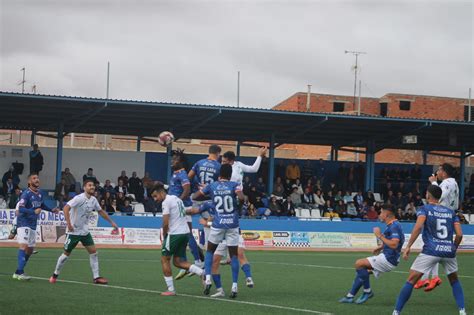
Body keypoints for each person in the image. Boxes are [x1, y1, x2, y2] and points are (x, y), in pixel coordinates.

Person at [393, 185, 466, 315]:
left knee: (411, 281)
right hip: (448, 251)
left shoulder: (424, 209)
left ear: (428, 195)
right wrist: (453, 247)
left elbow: (418, 227)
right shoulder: (451, 212)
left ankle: (396, 312)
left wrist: (408, 246)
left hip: (431, 250)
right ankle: (462, 311)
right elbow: (459, 234)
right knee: (454, 280)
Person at [49, 180, 118, 285]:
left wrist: (112, 222)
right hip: (73, 232)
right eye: (89, 185)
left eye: (93, 186)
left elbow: (100, 211)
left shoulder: (94, 200)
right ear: (84, 187)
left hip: (85, 232)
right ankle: (55, 274)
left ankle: (96, 277)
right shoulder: (79, 198)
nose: (92, 187)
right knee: (65, 255)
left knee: (94, 253)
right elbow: (66, 208)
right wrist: (69, 224)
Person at [193, 164, 245, 298]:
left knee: (210, 251)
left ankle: (208, 278)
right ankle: (234, 287)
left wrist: (206, 192)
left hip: (217, 223)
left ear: (219, 174)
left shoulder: (213, 185)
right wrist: (237, 208)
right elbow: (241, 198)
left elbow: (195, 197)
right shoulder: (234, 185)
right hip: (232, 224)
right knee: (233, 256)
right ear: (230, 174)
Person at [339, 204, 404, 304]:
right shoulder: (394, 225)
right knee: (362, 272)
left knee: (359, 264)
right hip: (390, 258)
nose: (379, 215)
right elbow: (397, 242)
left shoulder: (394, 226)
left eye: (381, 212)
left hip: (388, 259)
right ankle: (350, 296)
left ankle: (367, 291)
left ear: (386, 214)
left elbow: (395, 244)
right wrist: (381, 247)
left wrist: (379, 236)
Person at [149, 183, 204, 296]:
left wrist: (164, 236)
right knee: (178, 262)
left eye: (155, 196)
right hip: (184, 234)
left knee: (164, 259)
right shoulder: (177, 199)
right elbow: (184, 212)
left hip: (174, 234)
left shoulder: (166, 202)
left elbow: (165, 223)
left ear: (160, 192)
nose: (155, 199)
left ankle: (171, 289)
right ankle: (201, 272)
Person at [416, 163, 460, 291]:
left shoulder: (446, 182)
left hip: (440, 216)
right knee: (435, 246)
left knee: (432, 245)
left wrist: (434, 183)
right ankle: (429, 278)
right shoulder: (454, 183)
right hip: (448, 217)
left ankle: (429, 277)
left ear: (445, 172)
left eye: (439, 170)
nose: (437, 172)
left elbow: (438, 196)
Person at [13, 174, 59, 280]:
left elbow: (41, 205)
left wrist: (51, 210)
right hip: (23, 223)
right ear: (29, 182)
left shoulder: (40, 193)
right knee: (23, 246)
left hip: (33, 224)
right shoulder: (26, 194)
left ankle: (18, 271)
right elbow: (20, 209)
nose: (37, 179)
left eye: (37, 178)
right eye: (34, 178)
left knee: (30, 249)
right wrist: (32, 211)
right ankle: (20, 273)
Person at [169, 149, 204, 280]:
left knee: (187, 235)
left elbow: (187, 189)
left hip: (183, 207)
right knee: (183, 235)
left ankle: (198, 261)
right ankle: (185, 262)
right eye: (172, 159)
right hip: (178, 207)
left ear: (181, 162)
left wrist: (177, 202)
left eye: (175, 159)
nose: (172, 161)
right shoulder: (176, 173)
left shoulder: (183, 174)